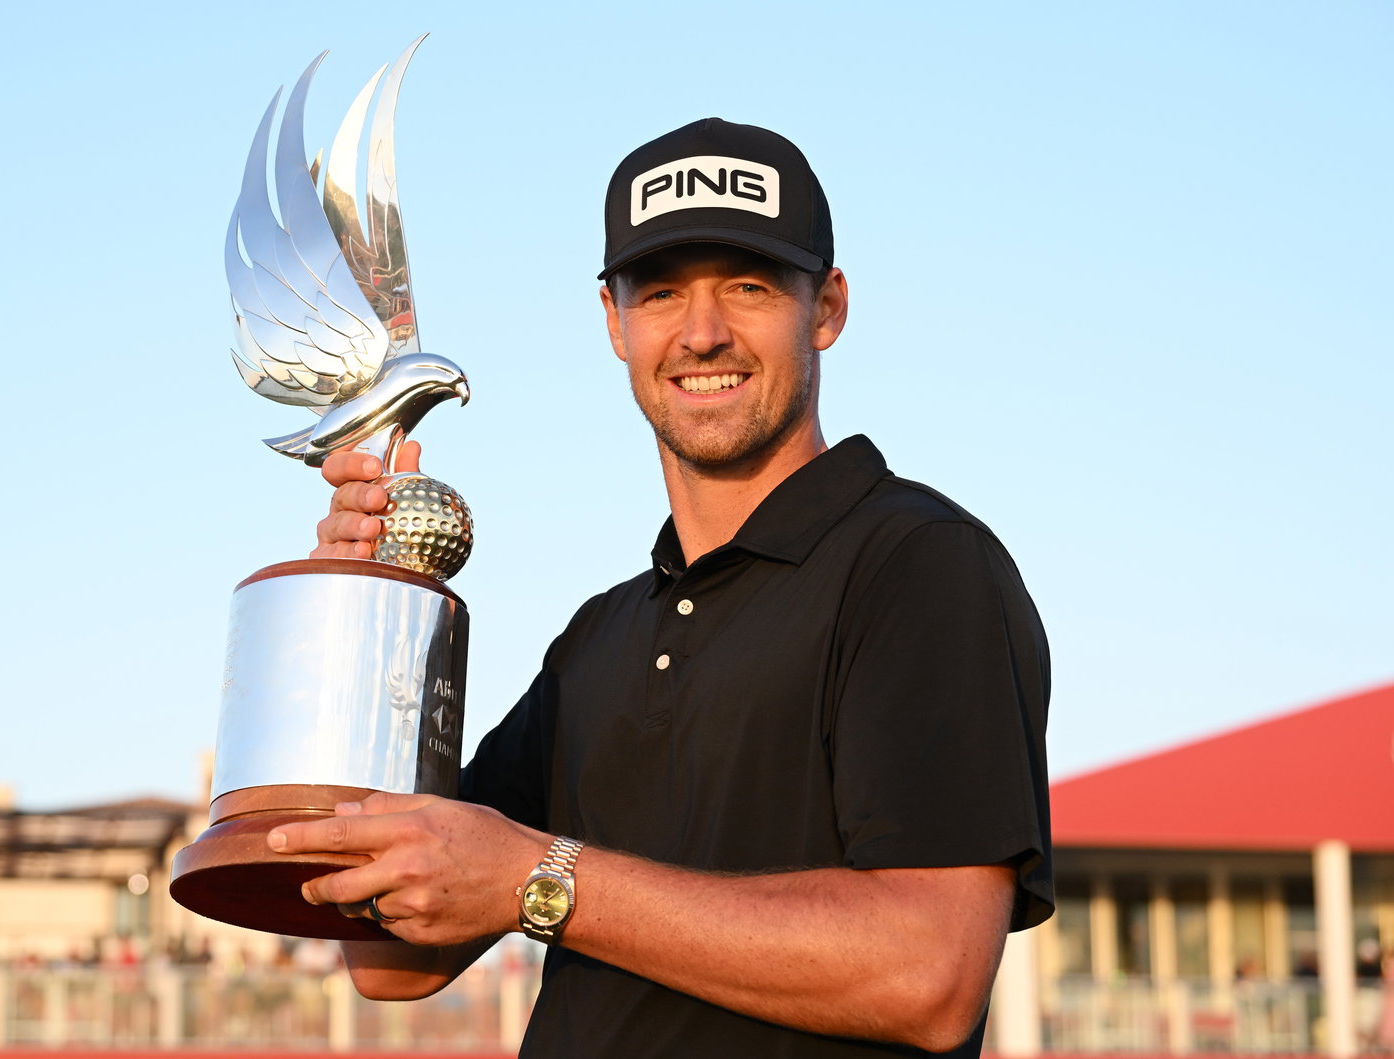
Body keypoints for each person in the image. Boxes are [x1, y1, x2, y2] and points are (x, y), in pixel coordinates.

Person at [267, 117, 1052, 1057]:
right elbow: (391, 964)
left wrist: (537, 877)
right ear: (614, 321)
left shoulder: (919, 563)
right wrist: (367, 618)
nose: (703, 333)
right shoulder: (600, 638)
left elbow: (928, 971)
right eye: (663, 292)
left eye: (751, 287)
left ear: (828, 308)